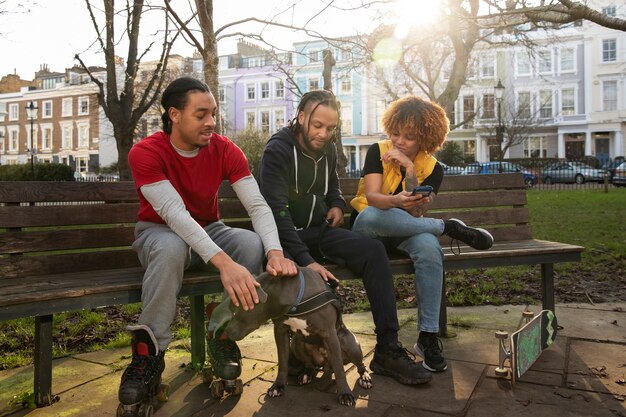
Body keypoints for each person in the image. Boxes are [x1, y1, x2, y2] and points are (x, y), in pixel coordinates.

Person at [120, 77, 297, 408]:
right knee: (172, 246)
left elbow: (257, 206)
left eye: (213, 113)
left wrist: (274, 251)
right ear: (174, 114)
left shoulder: (225, 149)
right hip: (159, 232)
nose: (211, 122)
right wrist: (224, 264)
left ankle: (223, 330)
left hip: (210, 228)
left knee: (250, 245)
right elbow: (175, 216)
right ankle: (149, 354)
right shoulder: (145, 152)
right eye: (201, 114)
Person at [258, 89, 432, 386]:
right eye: (317, 126)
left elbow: (333, 187)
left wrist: (338, 204)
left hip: (320, 231)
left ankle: (388, 349)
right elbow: (276, 212)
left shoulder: (327, 147)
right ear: (301, 118)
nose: (324, 134)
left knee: (373, 251)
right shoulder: (279, 150)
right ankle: (302, 356)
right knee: (301, 278)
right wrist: (306, 261)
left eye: (331, 128)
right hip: (283, 240)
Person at [350, 95, 493, 372]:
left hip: (408, 227)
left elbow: (416, 215)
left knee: (429, 248)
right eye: (395, 133)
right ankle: (447, 227)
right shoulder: (377, 151)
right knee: (371, 214)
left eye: (409, 136)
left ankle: (427, 337)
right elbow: (372, 197)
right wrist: (396, 202)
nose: (399, 141)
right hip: (369, 228)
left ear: (426, 138)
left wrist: (410, 168)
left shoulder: (433, 169)